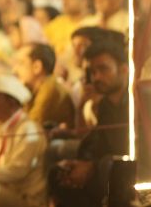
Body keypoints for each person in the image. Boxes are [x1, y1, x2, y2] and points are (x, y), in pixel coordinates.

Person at [48, 40, 130, 207]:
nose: (96, 77)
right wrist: (82, 164)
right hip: (102, 165)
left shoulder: (137, 102)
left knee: (109, 170)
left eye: (103, 69)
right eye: (93, 72)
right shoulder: (106, 104)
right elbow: (96, 142)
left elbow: (127, 149)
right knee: (59, 173)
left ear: (124, 70)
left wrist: (92, 166)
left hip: (127, 170)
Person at [0, 74, 47, 207]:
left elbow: (18, 170)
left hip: (25, 198)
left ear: (11, 102)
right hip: (3, 190)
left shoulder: (29, 129)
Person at [12, 43, 75, 128]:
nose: (14, 70)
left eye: (21, 63)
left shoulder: (50, 88)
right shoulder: (33, 88)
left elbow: (30, 126)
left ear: (37, 67)